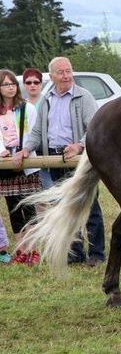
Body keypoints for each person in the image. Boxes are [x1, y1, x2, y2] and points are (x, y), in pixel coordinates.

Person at [15, 57, 106, 267]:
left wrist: (78, 146)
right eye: (61, 72)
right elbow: (37, 131)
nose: (66, 75)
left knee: (89, 206)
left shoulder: (84, 97)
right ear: (52, 75)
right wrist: (26, 148)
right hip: (54, 161)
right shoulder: (47, 98)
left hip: (79, 161)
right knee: (64, 207)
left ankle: (97, 255)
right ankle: (75, 254)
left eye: (68, 71)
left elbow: (94, 129)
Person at [0, 69, 41, 265]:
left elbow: (34, 133)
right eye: (5, 84)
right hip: (5, 162)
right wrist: (3, 152)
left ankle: (34, 249)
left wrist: (23, 151)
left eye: (12, 84)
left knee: (29, 206)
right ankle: (22, 249)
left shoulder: (27, 108)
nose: (10, 88)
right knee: (13, 207)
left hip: (26, 161)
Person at [22, 68, 53, 190]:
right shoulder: (21, 106)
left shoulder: (49, 101)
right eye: (29, 82)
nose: (32, 85)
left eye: (36, 82)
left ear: (41, 84)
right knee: (36, 194)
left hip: (47, 150)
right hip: (28, 152)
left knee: (50, 190)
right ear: (24, 85)